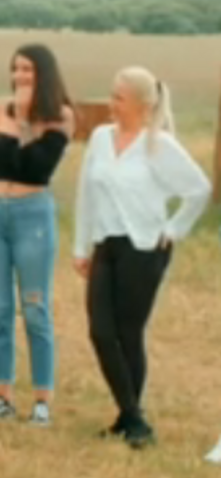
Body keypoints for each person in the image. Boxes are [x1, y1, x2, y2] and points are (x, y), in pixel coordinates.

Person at [73, 67, 211, 449]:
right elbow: (87, 193)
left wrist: (174, 229)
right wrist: (81, 247)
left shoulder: (159, 145)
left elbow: (198, 190)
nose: (111, 104)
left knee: (128, 333)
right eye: (111, 94)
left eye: (118, 97)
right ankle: (133, 417)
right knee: (101, 331)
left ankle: (128, 419)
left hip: (145, 248)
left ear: (141, 105)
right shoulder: (101, 138)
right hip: (107, 245)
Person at [0, 45, 74, 425]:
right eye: (16, 69)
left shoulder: (61, 117)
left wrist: (25, 120)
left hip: (32, 217)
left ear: (45, 74)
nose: (20, 77)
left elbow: (35, 167)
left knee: (35, 309)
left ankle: (41, 401)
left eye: (28, 70)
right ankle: (2, 397)